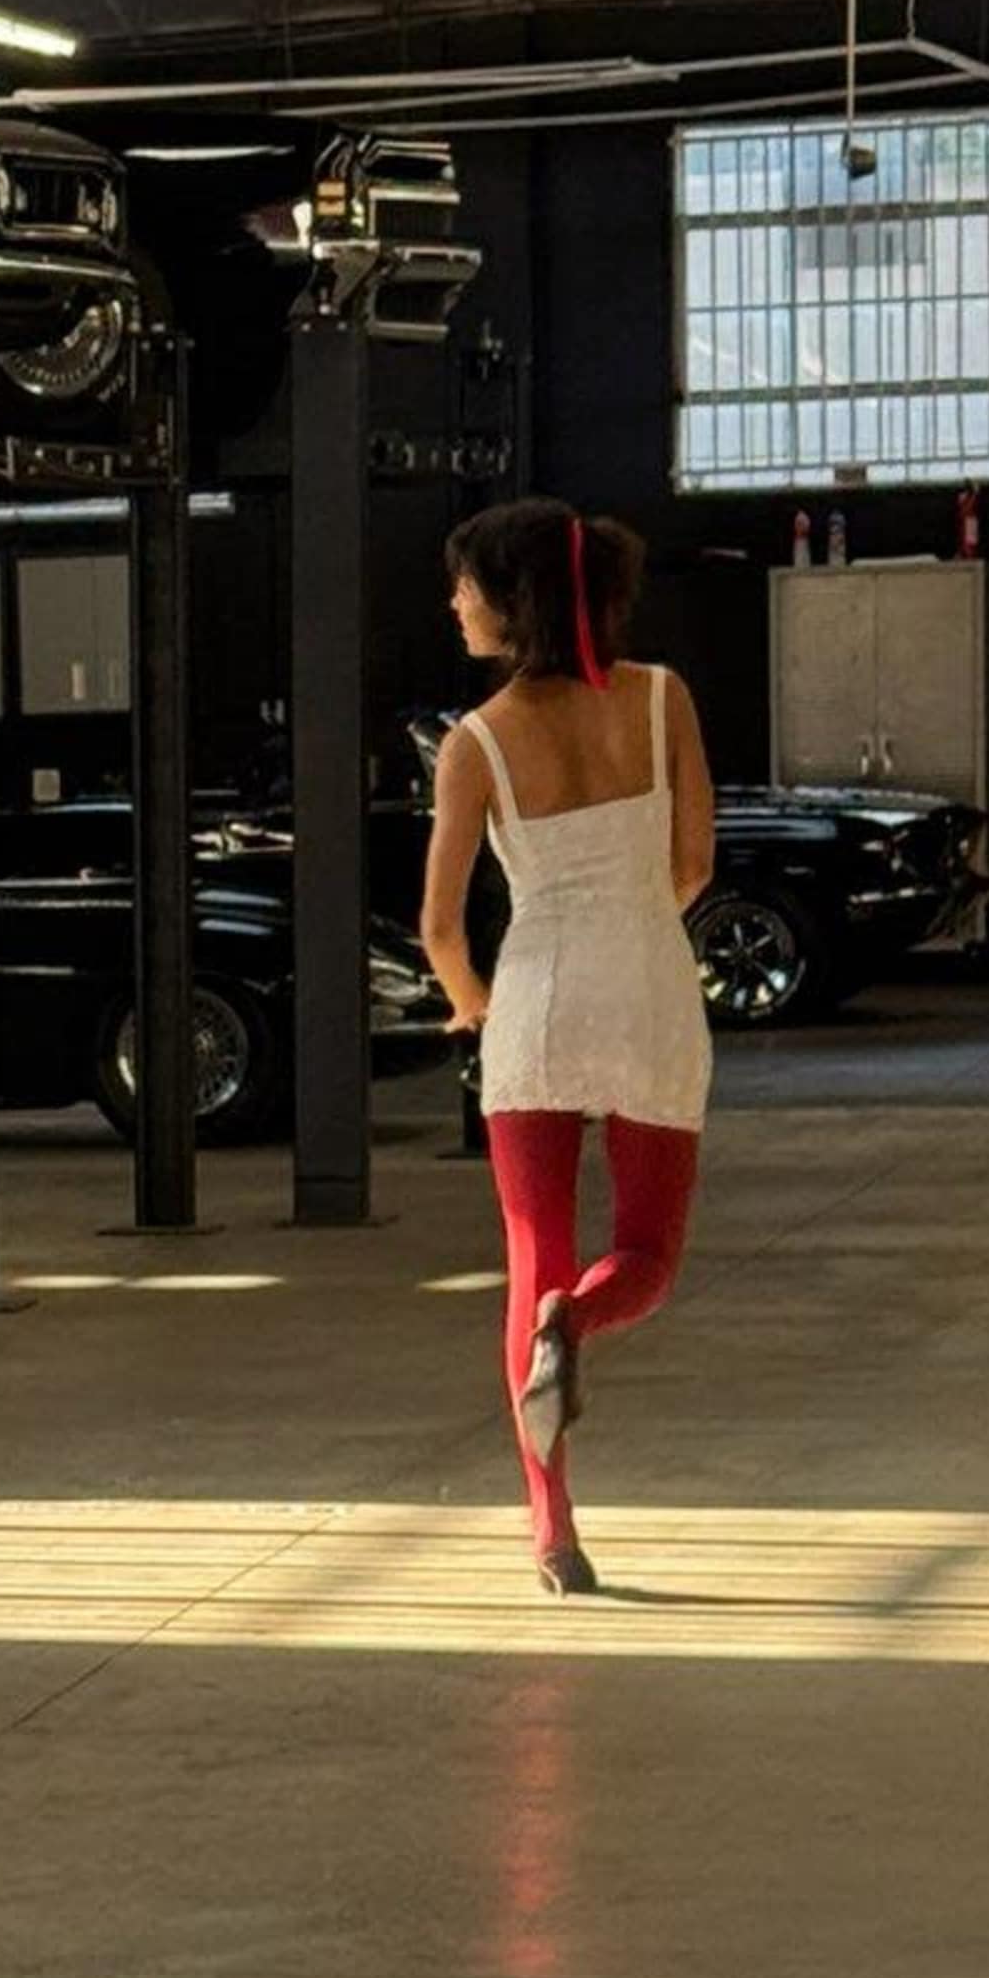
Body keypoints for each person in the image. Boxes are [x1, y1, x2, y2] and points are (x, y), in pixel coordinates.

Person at [418, 500, 715, 1598]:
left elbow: (442, 927)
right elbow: (692, 865)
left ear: (516, 598)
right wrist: (634, 920)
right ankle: (575, 1323)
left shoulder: (477, 739)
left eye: (466, 585)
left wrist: (475, 1006)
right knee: (645, 1253)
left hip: (536, 997)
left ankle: (555, 1534)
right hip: (646, 982)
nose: (454, 603)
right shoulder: (661, 697)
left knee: (532, 1248)